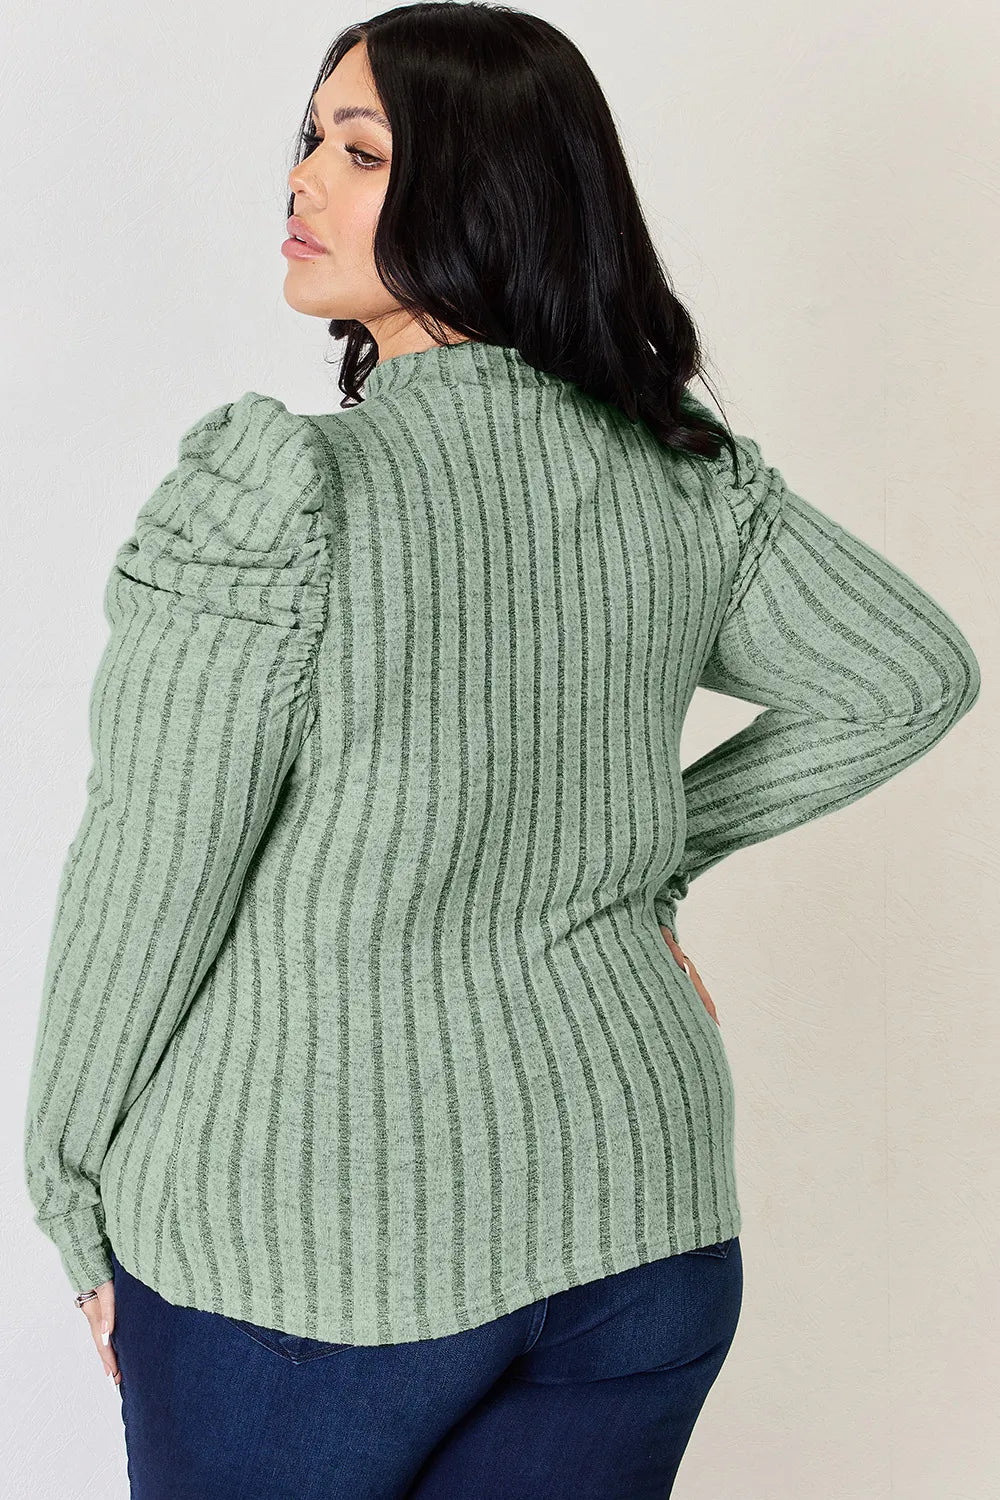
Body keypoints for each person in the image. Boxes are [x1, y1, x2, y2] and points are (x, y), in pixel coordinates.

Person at [23, 5, 981, 1497]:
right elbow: (906, 678)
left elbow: (153, 869)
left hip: (310, 1248)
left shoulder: (280, 495)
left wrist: (67, 1180)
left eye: (361, 153)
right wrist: (646, 859)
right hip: (642, 1223)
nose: (302, 181)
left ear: (485, 191)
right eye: (310, 142)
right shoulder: (686, 481)